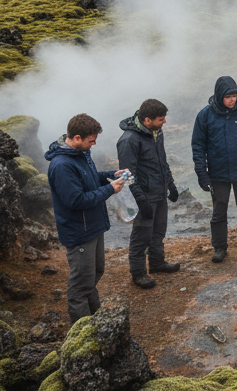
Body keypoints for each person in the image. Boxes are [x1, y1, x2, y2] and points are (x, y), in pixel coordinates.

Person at [46, 113, 126, 323]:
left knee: (95, 272)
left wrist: (112, 175)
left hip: (93, 227)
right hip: (79, 232)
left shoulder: (80, 153)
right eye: (91, 140)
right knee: (81, 285)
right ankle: (82, 330)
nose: (94, 144)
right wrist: (110, 189)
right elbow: (76, 200)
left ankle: (96, 320)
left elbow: (89, 179)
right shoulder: (62, 165)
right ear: (77, 138)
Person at [191, 75, 237, 263]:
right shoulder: (205, 115)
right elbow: (198, 146)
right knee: (218, 212)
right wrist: (202, 174)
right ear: (219, 96)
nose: (232, 100)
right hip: (218, 174)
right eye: (228, 96)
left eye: (235, 95)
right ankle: (219, 248)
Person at [117, 98, 180, 289]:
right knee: (141, 236)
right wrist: (141, 200)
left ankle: (157, 263)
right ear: (147, 120)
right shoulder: (129, 140)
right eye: (161, 119)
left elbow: (162, 161)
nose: (164, 122)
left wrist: (171, 185)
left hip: (159, 192)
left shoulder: (157, 132)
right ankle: (138, 274)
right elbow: (127, 174)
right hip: (144, 196)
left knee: (158, 231)